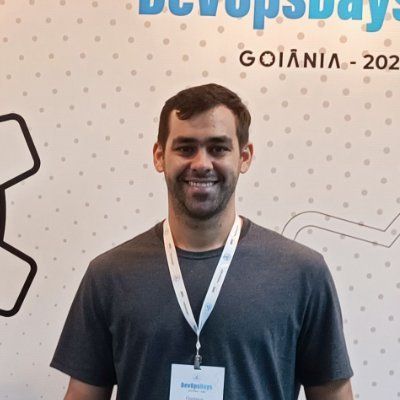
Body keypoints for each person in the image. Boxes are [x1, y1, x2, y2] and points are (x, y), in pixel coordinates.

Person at [51, 83, 354, 400]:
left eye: (218, 148)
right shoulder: (109, 275)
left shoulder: (301, 272)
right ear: (159, 156)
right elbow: (83, 395)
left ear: (244, 157)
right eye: (185, 148)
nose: (201, 163)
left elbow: (333, 394)